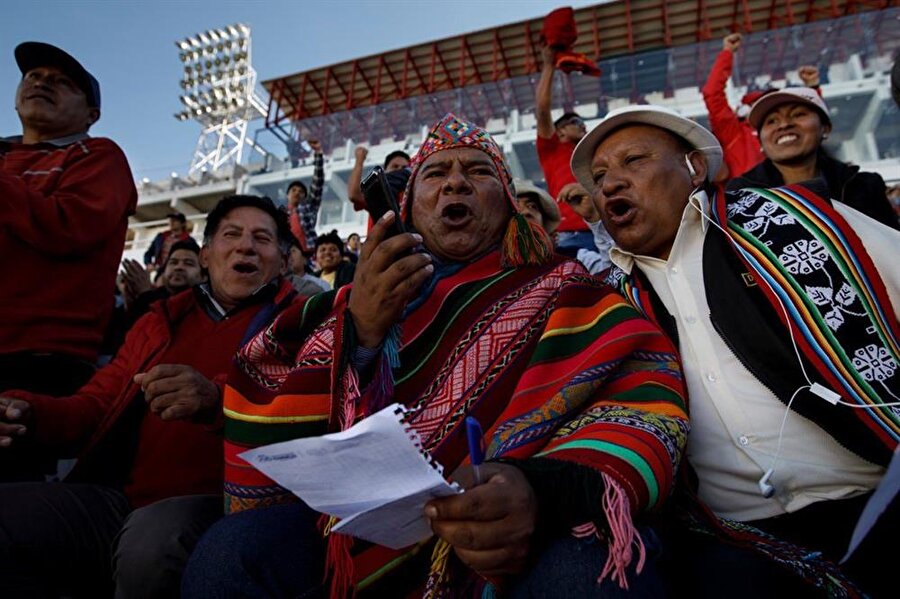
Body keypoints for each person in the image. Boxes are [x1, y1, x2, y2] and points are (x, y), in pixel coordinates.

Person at [183, 113, 689, 598]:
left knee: (587, 569)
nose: (454, 184)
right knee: (233, 554)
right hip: (365, 536)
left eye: (477, 171)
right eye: (435, 174)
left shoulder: (568, 288)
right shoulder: (353, 301)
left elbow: (644, 397)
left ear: (510, 204)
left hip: (526, 528)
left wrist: (538, 491)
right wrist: (360, 332)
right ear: (408, 207)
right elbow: (269, 381)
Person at [570, 104, 899, 597]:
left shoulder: (802, 221)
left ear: (694, 167)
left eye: (634, 161)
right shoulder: (613, 304)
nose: (611, 184)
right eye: (600, 177)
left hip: (874, 495)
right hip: (733, 538)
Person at [0, 195, 296, 598]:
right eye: (232, 235)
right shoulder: (159, 319)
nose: (246, 246)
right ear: (206, 255)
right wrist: (27, 412)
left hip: (227, 511)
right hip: (119, 503)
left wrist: (217, 401)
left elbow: (302, 415)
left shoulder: (302, 321)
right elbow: (96, 403)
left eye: (262, 238)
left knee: (152, 543)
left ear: (282, 260)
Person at [0, 42, 137, 481]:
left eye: (61, 82)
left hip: (35, 361)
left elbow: (68, 226)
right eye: (33, 76)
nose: (41, 82)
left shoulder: (99, 156)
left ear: (91, 113)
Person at [727, 87, 898, 230]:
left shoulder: (865, 186)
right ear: (760, 141)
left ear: (825, 128)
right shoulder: (739, 195)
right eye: (771, 121)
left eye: (798, 114)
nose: (784, 124)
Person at [702, 33, 822, 181]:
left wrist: (813, 88)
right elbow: (712, 93)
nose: (782, 123)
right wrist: (727, 53)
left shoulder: (785, 129)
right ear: (748, 108)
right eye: (766, 106)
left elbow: (810, 121)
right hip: (750, 199)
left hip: (796, 195)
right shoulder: (733, 132)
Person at [535, 44, 596, 254]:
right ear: (559, 132)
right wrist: (549, 66)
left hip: (604, 230)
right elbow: (542, 110)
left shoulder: (595, 154)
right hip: (571, 237)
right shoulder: (552, 149)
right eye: (576, 121)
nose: (583, 126)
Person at [285, 138, 325, 253]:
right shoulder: (280, 214)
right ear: (287, 195)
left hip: (307, 252)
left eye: (301, 191)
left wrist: (318, 154)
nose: (297, 192)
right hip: (286, 255)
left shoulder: (309, 207)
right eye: (294, 190)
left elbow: (318, 182)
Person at [347, 146, 411, 214]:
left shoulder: (415, 191)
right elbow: (354, 195)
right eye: (395, 166)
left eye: (404, 168)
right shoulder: (379, 194)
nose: (400, 170)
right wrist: (359, 160)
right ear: (385, 171)